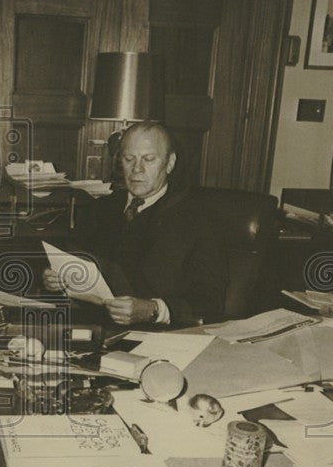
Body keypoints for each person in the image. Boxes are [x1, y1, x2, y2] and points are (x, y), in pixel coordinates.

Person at [42, 121, 227, 327]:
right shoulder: (102, 208)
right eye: (129, 159)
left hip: (159, 338)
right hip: (92, 331)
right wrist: (55, 279)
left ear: (170, 163)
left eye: (149, 159)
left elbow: (211, 301)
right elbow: (72, 261)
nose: (137, 169)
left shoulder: (198, 220)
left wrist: (153, 310)